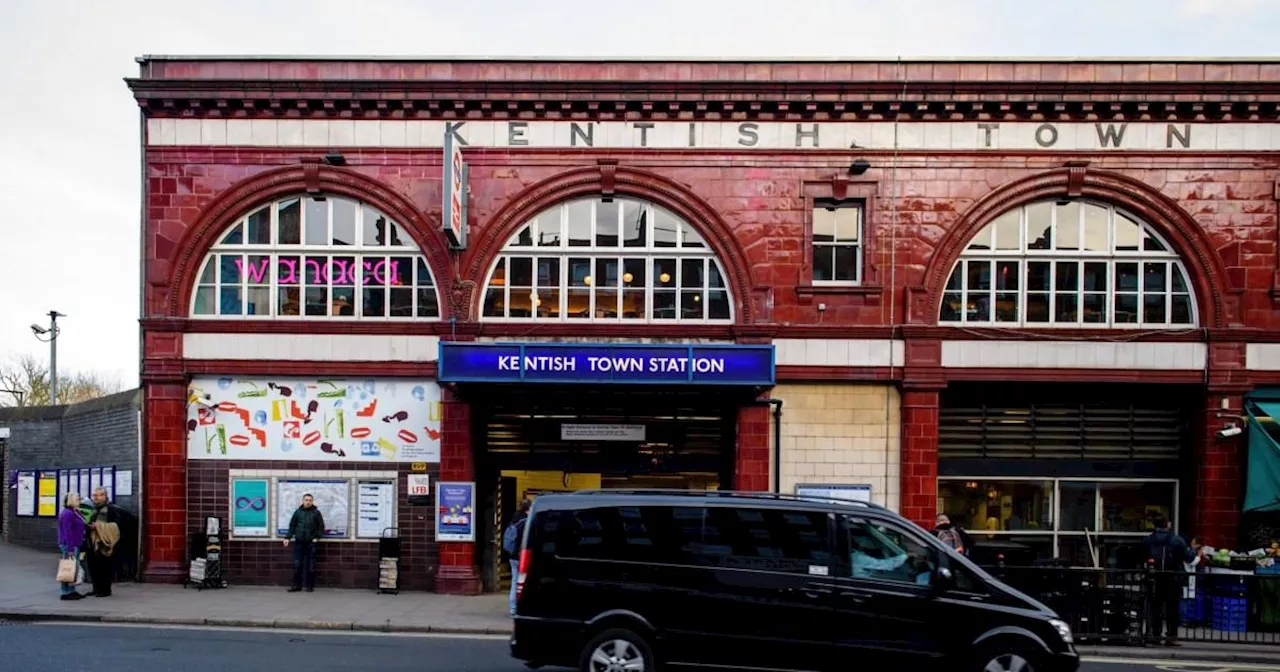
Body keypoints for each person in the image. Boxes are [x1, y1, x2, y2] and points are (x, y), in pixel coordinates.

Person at [1144, 514, 1193, 646]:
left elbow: (1140, 556)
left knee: (1155, 608)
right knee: (1172, 609)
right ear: (1167, 524)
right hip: (1172, 577)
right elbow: (1188, 558)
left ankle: (1155, 635)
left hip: (1154, 577)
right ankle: (1171, 636)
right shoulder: (1176, 540)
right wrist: (1194, 551)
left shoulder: (1148, 540)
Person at [283, 493, 325, 592]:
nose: (308, 502)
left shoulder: (316, 513)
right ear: (302, 501)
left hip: (311, 543)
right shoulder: (297, 512)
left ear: (312, 501)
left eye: (310, 500)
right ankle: (296, 586)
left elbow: (321, 527)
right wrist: (287, 538)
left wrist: (317, 537)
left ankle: (310, 586)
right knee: (297, 565)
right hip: (299, 542)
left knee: (310, 565)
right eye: (306, 500)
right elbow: (292, 526)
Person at [86, 487, 121, 598]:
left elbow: (116, 526)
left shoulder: (111, 509)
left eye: (97, 495)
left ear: (104, 496)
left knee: (104, 567)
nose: (95, 498)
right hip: (93, 542)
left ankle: (105, 590)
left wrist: (98, 526)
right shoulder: (94, 509)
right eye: (94, 495)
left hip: (104, 543)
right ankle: (96, 588)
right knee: (93, 567)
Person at [502, 499, 531, 616]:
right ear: (528, 509)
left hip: (513, 556)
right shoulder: (526, 522)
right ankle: (520, 607)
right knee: (524, 582)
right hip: (522, 556)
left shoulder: (514, 520)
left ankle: (512, 608)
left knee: (514, 582)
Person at [57, 492, 87, 600]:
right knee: (68, 568)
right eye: (78, 499)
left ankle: (72, 590)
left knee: (73, 568)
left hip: (75, 543)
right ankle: (66, 592)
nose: (80, 500)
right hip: (70, 544)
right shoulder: (67, 514)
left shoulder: (75, 512)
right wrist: (70, 549)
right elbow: (67, 532)